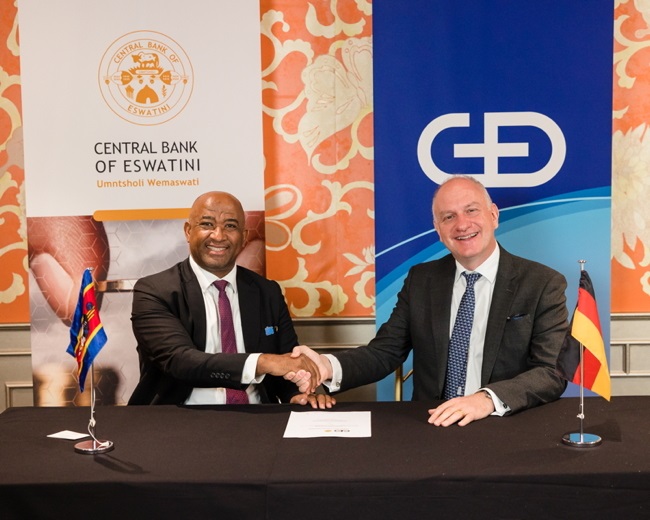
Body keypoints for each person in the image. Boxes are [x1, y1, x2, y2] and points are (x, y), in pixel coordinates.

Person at [292, 175, 568, 425]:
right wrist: (326, 366)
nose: (462, 224)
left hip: (504, 424)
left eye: (471, 210)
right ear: (438, 228)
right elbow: (385, 352)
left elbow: (550, 371)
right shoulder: (421, 279)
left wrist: (486, 399)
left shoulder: (542, 283)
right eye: (448, 217)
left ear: (493, 215)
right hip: (432, 424)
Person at [128, 191, 333, 409]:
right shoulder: (154, 291)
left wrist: (297, 395)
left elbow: (286, 365)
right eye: (207, 224)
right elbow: (181, 361)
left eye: (230, 226)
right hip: (180, 417)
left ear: (244, 236)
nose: (218, 236)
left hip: (257, 416)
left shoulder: (267, 292)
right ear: (188, 231)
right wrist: (263, 362)